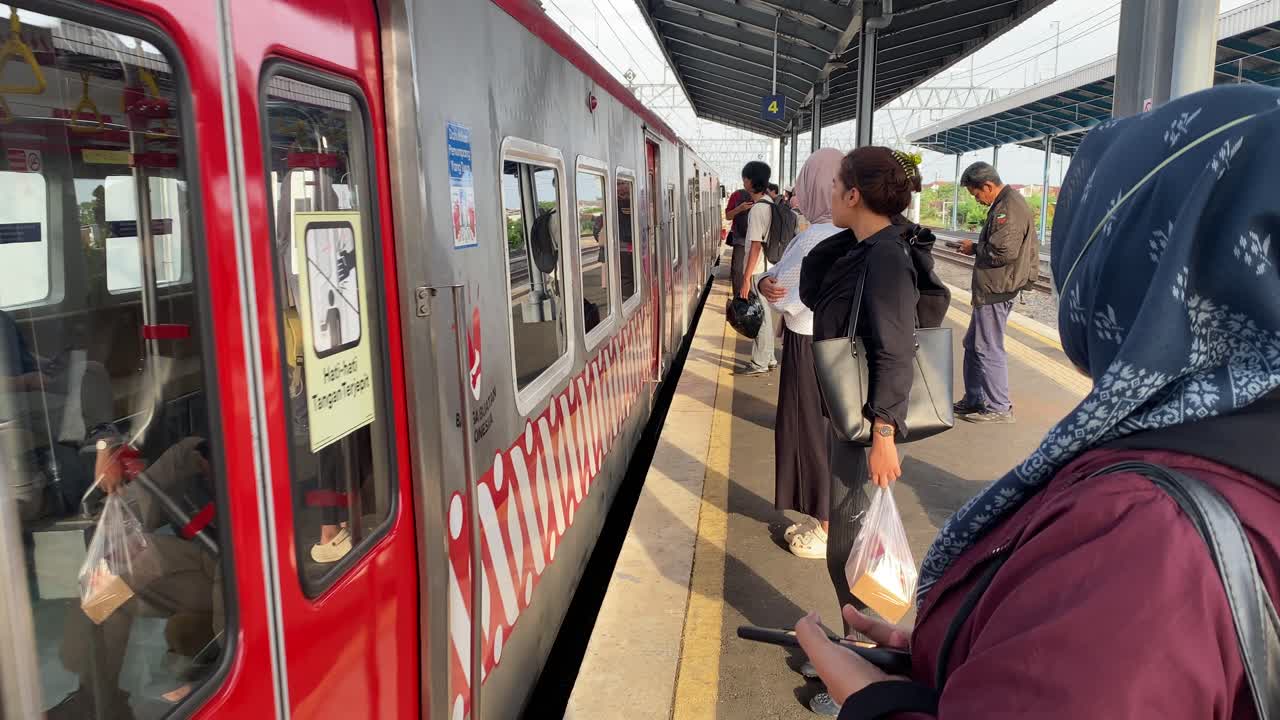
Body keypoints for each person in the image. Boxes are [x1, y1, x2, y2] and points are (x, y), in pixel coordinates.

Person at [793, 85, 1280, 720]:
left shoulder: (1145, 528)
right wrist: (957, 654)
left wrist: (874, 703)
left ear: (1133, 255)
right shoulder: (1236, 448)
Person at [796, 147, 921, 716]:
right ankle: (850, 651)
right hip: (856, 421)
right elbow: (811, 291)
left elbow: (896, 348)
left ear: (853, 194)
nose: (828, 193)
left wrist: (884, 434)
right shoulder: (864, 247)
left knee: (857, 549)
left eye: (837, 184)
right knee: (849, 540)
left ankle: (863, 677)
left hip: (868, 427)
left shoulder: (887, 257)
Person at [757, 148, 844, 560]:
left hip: (808, 344)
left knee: (809, 432)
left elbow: (781, 291)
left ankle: (823, 528)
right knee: (834, 432)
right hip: (844, 347)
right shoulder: (857, 232)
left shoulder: (814, 236)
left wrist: (763, 285)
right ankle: (831, 519)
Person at [952, 161, 1038, 424]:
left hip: (997, 288)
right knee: (973, 344)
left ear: (987, 186)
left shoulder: (1008, 208)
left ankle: (999, 406)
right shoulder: (1005, 203)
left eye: (976, 194)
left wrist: (974, 249)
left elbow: (1004, 252)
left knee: (988, 346)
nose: (977, 199)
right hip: (993, 287)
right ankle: (975, 398)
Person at [735, 160, 776, 375]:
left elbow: (755, 247)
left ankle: (760, 362)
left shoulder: (758, 210)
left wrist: (745, 278)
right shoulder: (770, 203)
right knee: (765, 314)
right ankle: (768, 358)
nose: (744, 182)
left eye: (745, 178)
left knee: (757, 315)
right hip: (768, 267)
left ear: (750, 181)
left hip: (758, 270)